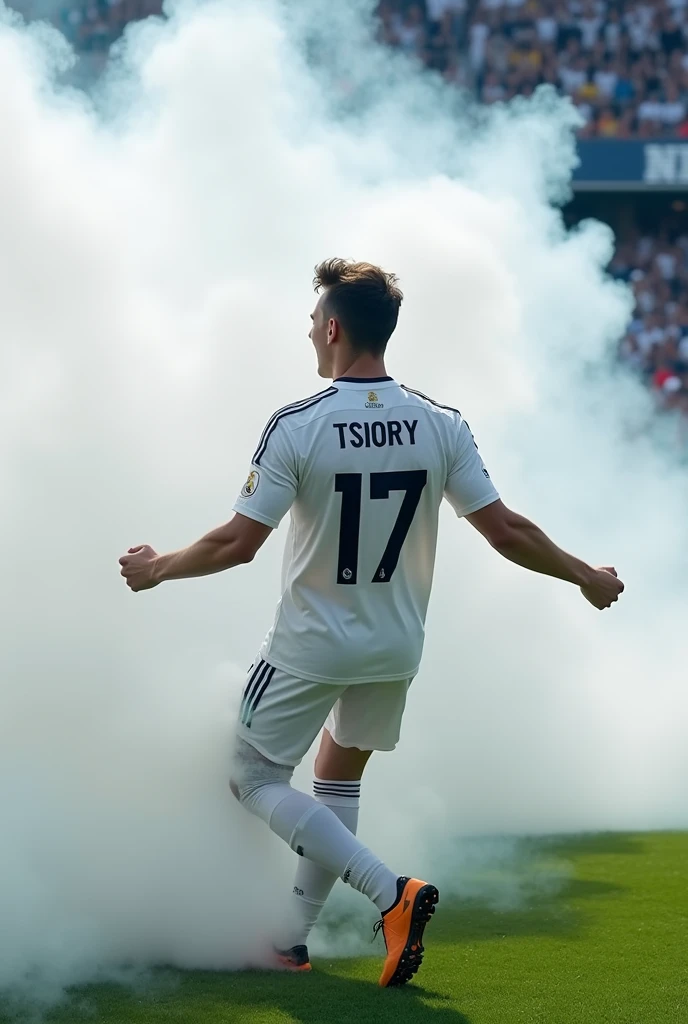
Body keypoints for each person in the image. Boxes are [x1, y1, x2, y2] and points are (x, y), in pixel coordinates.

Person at [119, 258, 625, 987]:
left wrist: (159, 566)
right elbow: (506, 530)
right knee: (336, 773)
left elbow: (238, 544)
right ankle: (291, 942)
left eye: (310, 325)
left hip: (310, 644)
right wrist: (585, 575)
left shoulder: (298, 423)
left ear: (331, 328)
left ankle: (391, 893)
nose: (308, 338)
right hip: (395, 644)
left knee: (251, 776)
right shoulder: (440, 422)